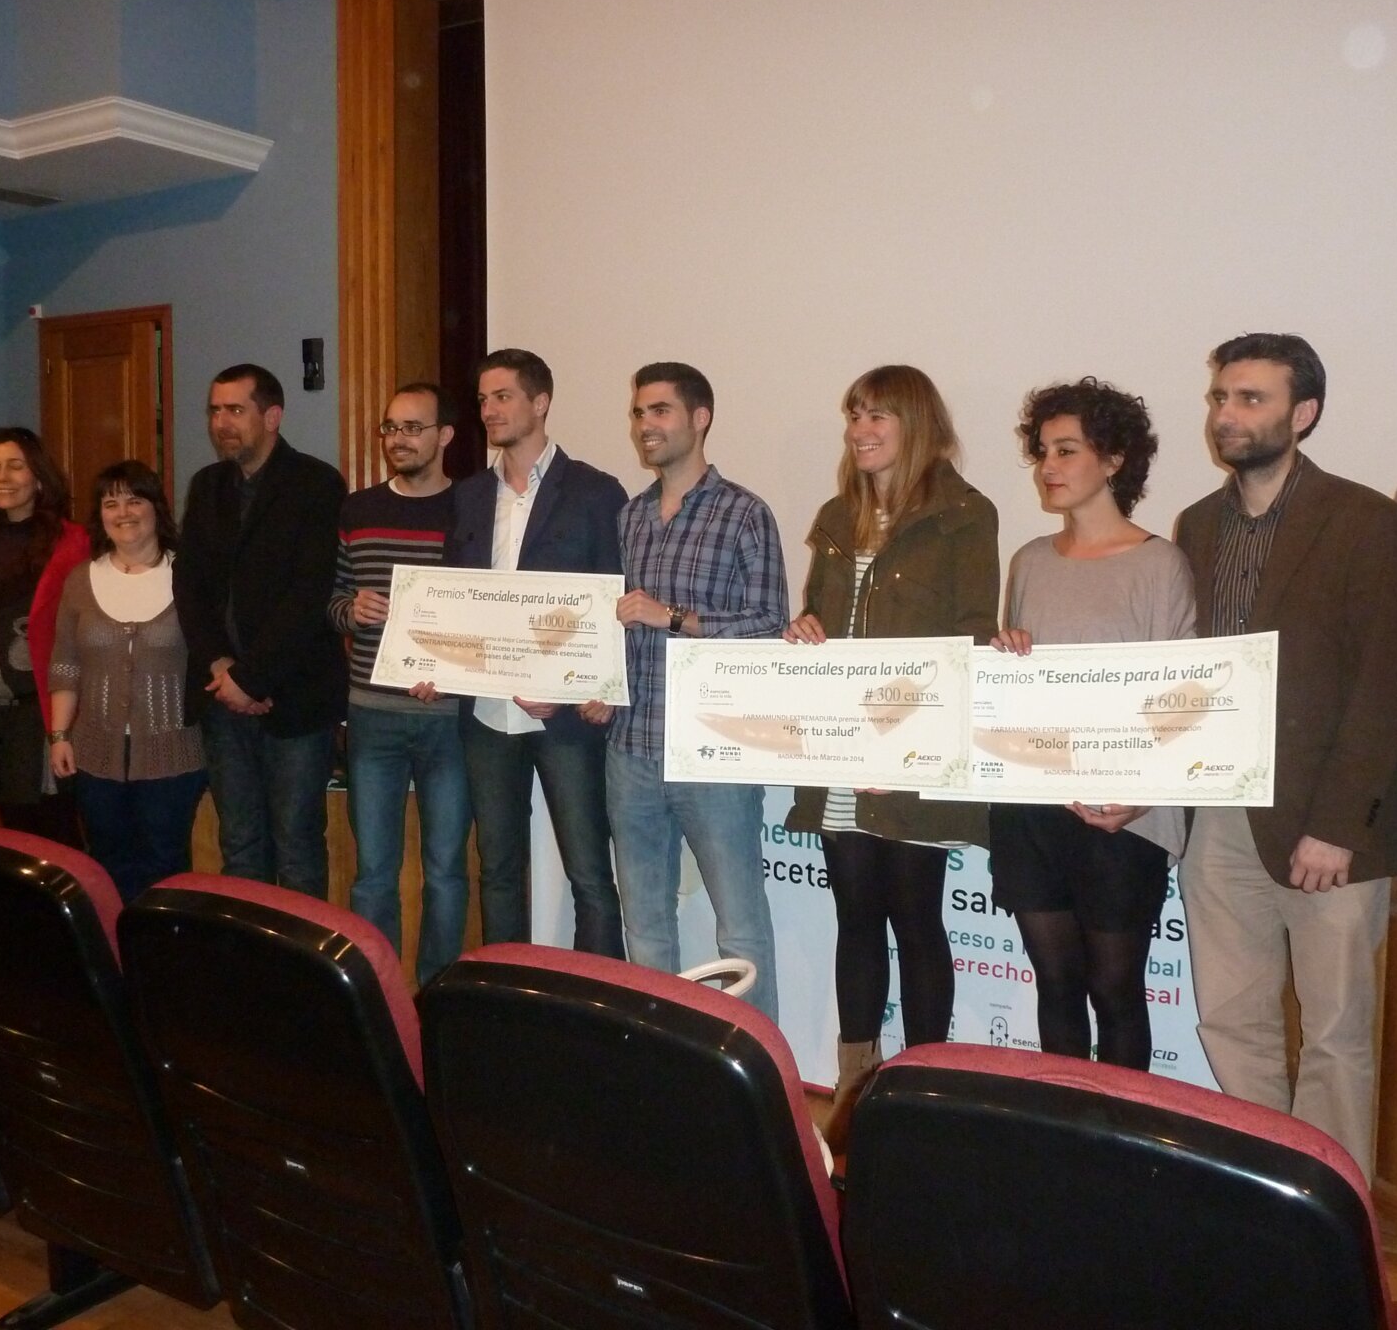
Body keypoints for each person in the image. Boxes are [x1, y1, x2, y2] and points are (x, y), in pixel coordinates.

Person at [1175, 333, 1397, 1180]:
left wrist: (1339, 825)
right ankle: (1261, 1195)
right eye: (1221, 397)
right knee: (1229, 1018)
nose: (1227, 414)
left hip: (1326, 822)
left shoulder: (1366, 521)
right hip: (1221, 816)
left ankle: (1330, 1208)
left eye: (1251, 398)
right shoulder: (1195, 526)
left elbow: (1384, 683)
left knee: (1336, 1032)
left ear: (1303, 413)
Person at [783, 365, 999, 1122]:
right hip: (842, 752)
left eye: (877, 416)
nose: (859, 431)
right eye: (854, 416)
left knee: (916, 918)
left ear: (917, 424)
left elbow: (970, 638)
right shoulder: (836, 516)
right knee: (855, 918)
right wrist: (804, 627)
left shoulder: (965, 514)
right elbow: (822, 617)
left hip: (913, 755)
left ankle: (922, 1098)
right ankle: (854, 1093)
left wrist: (906, 749)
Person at [988, 379, 1195, 1072]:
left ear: (1113, 459)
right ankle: (1063, 1123)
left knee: (1115, 990)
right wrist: (1004, 658)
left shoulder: (1160, 564)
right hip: (1032, 807)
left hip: (1121, 816)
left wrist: (1145, 797)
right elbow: (1017, 690)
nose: (1048, 466)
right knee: (1055, 981)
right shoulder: (1029, 560)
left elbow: (1181, 701)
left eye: (1067, 450)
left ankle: (1121, 1131)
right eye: (1043, 451)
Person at [428, 348, 628, 955]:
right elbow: (454, 598)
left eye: (503, 397)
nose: (488, 410)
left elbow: (612, 598)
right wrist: (434, 664)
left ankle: (598, 997)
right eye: (483, 399)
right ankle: (505, 993)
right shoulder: (468, 495)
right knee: (498, 868)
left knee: (589, 872)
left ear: (540, 403)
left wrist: (590, 688)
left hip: (566, 715)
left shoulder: (596, 491)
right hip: (487, 714)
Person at [607, 362, 789, 1019]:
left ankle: (755, 1064)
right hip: (631, 748)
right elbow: (622, 627)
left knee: (739, 928)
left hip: (713, 756)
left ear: (700, 418)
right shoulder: (631, 516)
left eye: (659, 411)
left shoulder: (745, 514)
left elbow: (770, 625)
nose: (645, 425)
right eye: (638, 413)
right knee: (645, 923)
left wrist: (675, 617)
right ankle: (662, 1060)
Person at [174, 363, 346, 898]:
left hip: (295, 697)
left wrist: (252, 678)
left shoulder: (316, 483)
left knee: (297, 847)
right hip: (220, 695)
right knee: (240, 844)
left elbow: (308, 595)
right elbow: (190, 586)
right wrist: (221, 666)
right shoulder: (207, 486)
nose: (221, 422)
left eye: (235, 410)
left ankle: (302, 953)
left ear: (272, 416)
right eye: (215, 410)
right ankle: (246, 949)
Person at [328, 383, 471, 984]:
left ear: (445, 436)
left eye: (413, 428)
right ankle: (376, 992)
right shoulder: (357, 509)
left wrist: (453, 674)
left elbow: (482, 611)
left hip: (448, 719)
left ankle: (437, 992)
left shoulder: (471, 508)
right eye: (391, 428)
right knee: (373, 873)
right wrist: (350, 610)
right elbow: (332, 597)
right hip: (371, 714)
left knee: (446, 871)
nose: (398, 439)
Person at [48, 462, 207, 902]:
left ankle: (160, 944)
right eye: (111, 503)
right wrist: (59, 736)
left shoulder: (189, 575)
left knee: (166, 867)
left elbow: (212, 656)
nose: (123, 513)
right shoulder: (81, 579)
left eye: (135, 500)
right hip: (95, 757)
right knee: (107, 865)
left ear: (157, 508)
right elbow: (65, 664)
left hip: (173, 757)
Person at [0, 426, 88, 844]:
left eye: (15, 466)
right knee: (10, 834)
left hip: (41, 709)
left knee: (54, 832)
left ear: (39, 477)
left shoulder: (73, 542)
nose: (2, 477)